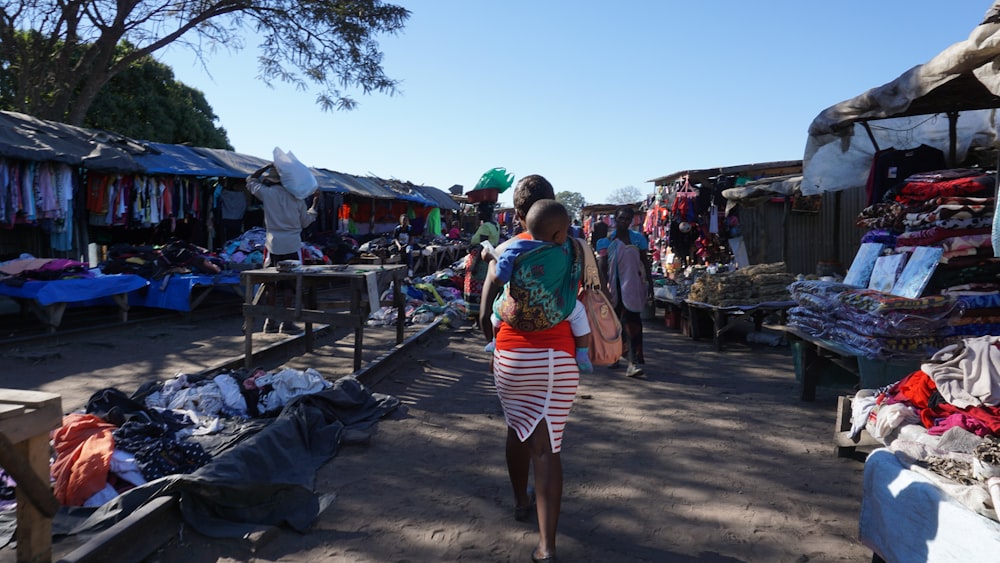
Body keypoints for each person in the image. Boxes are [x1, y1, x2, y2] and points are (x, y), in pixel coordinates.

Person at [479, 174, 587, 563]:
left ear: (520, 214)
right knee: (548, 446)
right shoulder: (576, 248)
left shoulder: (506, 249)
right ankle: (546, 545)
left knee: (517, 426)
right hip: (559, 358)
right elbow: (594, 295)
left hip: (512, 357)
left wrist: (495, 330)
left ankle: (519, 501)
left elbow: (482, 313)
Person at [485, 199, 593, 373]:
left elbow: (498, 279)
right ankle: (582, 353)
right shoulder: (568, 250)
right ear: (558, 235)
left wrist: (491, 261)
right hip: (555, 311)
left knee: (496, 310)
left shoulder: (513, 249)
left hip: (514, 314)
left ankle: (494, 342)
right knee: (579, 312)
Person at [246, 164, 318, 335]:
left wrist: (266, 167)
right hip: (292, 244)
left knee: (271, 283)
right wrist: (314, 205)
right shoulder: (297, 199)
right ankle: (286, 321)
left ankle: (270, 321)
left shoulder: (267, 193)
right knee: (290, 284)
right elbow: (306, 222)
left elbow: (250, 180)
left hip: (273, 244)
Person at [599, 206, 650, 377]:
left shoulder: (637, 239)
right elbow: (602, 266)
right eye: (622, 218)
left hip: (633, 287)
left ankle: (632, 363)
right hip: (614, 289)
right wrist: (603, 288)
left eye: (628, 219)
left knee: (632, 324)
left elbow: (645, 261)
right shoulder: (606, 241)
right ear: (615, 219)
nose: (625, 222)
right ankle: (615, 356)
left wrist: (649, 283)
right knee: (615, 325)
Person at [463, 203, 501, 323]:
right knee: (484, 287)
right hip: (489, 259)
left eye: (479, 212)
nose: (477, 214)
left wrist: (474, 265)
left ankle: (476, 318)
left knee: (475, 288)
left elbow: (483, 246)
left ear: (485, 213)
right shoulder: (496, 225)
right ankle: (481, 316)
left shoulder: (485, 226)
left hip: (480, 260)